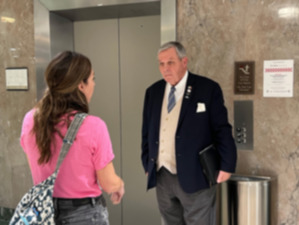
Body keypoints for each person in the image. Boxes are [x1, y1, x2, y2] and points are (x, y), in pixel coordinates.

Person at [20, 51, 125, 225]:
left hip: (42, 213)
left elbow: (34, 163)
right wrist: (119, 185)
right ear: (81, 86)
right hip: (84, 214)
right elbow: (108, 183)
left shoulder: (30, 120)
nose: (94, 84)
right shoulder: (94, 126)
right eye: (92, 79)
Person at [141, 41, 237, 225]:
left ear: (184, 62)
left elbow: (222, 129)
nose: (165, 68)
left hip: (197, 174)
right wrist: (147, 163)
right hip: (162, 176)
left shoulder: (207, 89)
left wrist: (227, 165)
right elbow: (146, 131)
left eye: (170, 62)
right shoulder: (153, 92)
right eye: (161, 64)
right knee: (170, 221)